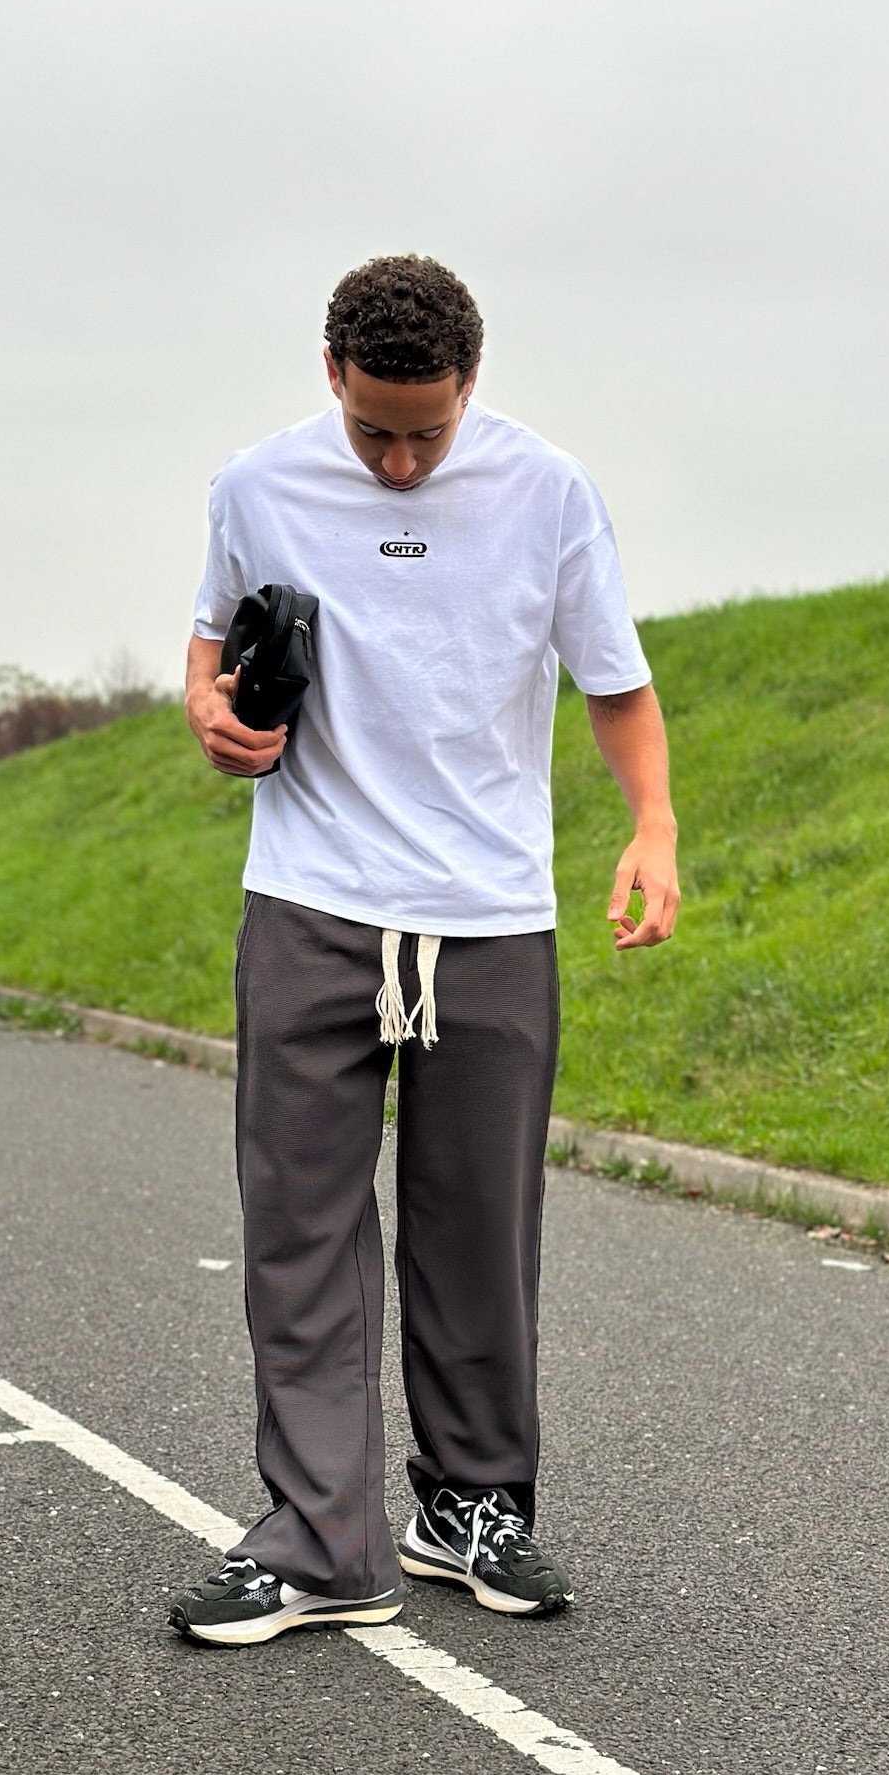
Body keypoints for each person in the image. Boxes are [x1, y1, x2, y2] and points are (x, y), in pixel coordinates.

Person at [170, 255, 679, 1647]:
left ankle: (472, 1505)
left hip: (492, 914)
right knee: (302, 1231)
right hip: (313, 901)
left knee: (479, 1229)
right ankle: (321, 1540)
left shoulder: (549, 491)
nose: (400, 461)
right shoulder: (256, 486)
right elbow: (209, 658)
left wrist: (655, 829)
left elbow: (616, 686)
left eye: (429, 433)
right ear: (331, 375)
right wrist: (217, 719)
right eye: (375, 428)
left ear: (473, 386)